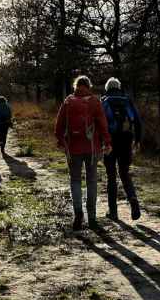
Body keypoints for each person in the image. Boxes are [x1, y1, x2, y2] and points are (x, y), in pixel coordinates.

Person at [55, 76, 111, 231]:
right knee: (92, 181)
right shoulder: (94, 101)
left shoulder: (68, 101)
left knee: (75, 181)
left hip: (73, 148)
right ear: (89, 86)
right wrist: (107, 142)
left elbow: (58, 126)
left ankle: (78, 213)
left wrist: (61, 141)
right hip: (92, 148)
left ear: (76, 86)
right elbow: (103, 124)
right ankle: (92, 217)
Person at [101, 77, 143, 221]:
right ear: (119, 87)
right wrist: (137, 140)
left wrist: (100, 142)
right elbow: (137, 121)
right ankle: (132, 199)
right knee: (124, 172)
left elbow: (99, 123)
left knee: (111, 176)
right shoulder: (127, 100)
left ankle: (113, 212)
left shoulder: (104, 101)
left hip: (110, 141)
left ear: (107, 88)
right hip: (126, 140)